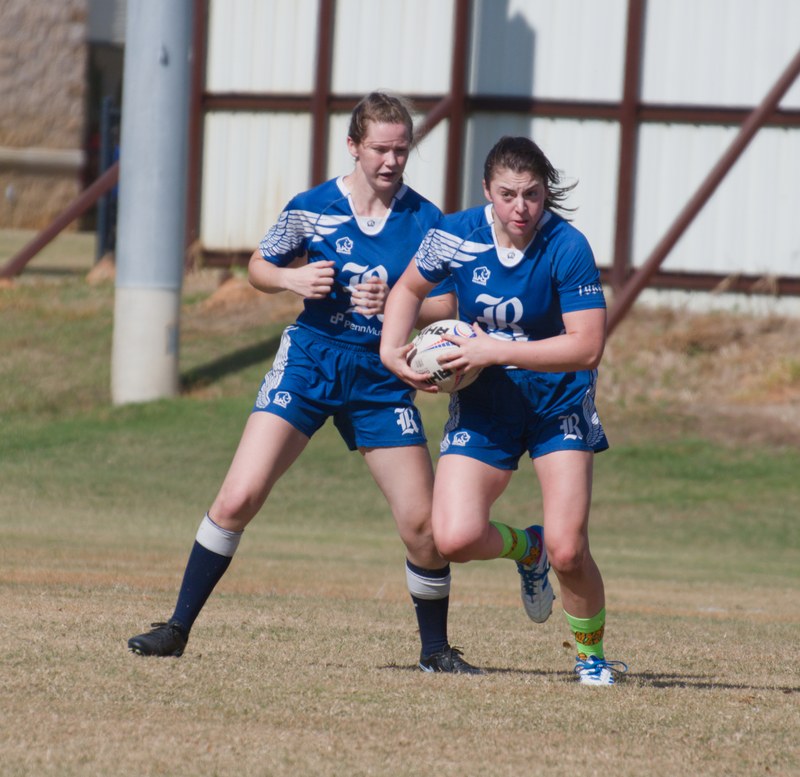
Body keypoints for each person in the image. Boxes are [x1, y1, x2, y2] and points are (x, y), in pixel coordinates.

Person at [128, 91, 482, 675]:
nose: (392, 161)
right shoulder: (312, 207)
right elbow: (258, 267)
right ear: (353, 146)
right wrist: (292, 280)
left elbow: (446, 302)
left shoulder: (426, 221)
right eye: (380, 149)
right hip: (310, 362)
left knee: (423, 528)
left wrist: (400, 303)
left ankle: (435, 651)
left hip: (379, 375)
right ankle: (176, 628)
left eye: (401, 150)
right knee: (238, 497)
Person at [380, 135, 628, 686]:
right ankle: (527, 548)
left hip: (557, 402)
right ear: (487, 191)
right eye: (508, 194)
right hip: (485, 402)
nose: (521, 207)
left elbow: (587, 346)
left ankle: (591, 658)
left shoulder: (567, 246)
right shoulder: (456, 234)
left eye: (533, 194)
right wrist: (390, 351)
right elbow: (407, 290)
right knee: (454, 537)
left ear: (546, 194)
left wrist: (496, 350)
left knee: (570, 550)